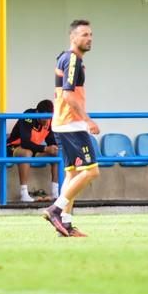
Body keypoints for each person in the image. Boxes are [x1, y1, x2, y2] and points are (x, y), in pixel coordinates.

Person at [43, 20, 101, 238]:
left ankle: (65, 224)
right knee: (91, 171)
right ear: (72, 37)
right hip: (71, 124)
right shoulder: (73, 59)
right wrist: (88, 120)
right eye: (85, 34)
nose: (89, 38)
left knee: (73, 174)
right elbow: (68, 95)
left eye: (91, 34)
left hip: (63, 123)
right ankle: (56, 210)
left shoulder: (66, 58)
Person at [7, 99, 59, 202]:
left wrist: (53, 148)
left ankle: (55, 193)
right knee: (27, 152)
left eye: (49, 117)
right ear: (37, 112)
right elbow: (25, 143)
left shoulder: (50, 120)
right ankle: (24, 193)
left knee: (57, 154)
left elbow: (50, 141)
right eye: (44, 117)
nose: (46, 121)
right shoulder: (28, 116)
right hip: (14, 147)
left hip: (35, 148)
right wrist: (45, 148)